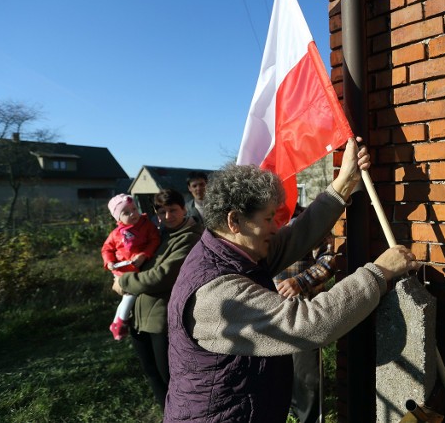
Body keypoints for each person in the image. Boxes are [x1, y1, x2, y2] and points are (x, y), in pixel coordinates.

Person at [164, 137, 418, 423]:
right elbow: (309, 324)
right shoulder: (216, 294)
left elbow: (295, 236)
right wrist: (379, 272)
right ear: (235, 221)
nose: (276, 226)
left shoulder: (232, 251)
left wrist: (344, 182)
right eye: (269, 218)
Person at [111, 188, 202, 411]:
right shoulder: (159, 233)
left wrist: (123, 282)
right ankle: (168, 415)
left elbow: (162, 276)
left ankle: (185, 415)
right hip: (140, 318)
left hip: (163, 320)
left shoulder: (190, 238)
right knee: (152, 375)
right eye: (162, 212)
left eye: (173, 210)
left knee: (171, 378)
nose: (168, 216)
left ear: (184, 209)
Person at [273, 204, 337, 423]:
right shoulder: (262, 221)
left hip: (303, 311)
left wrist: (300, 281)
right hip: (269, 313)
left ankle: (308, 419)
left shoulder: (310, 220)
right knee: (277, 376)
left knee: (307, 376)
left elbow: (328, 261)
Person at [102, 193, 160, 341]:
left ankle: (119, 322)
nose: (133, 214)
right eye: (126, 213)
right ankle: (120, 321)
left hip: (136, 266)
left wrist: (144, 254)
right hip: (121, 268)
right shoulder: (116, 234)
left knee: (130, 294)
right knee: (128, 295)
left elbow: (154, 241)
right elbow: (106, 249)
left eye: (134, 209)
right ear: (118, 218)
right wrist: (109, 262)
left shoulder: (146, 225)